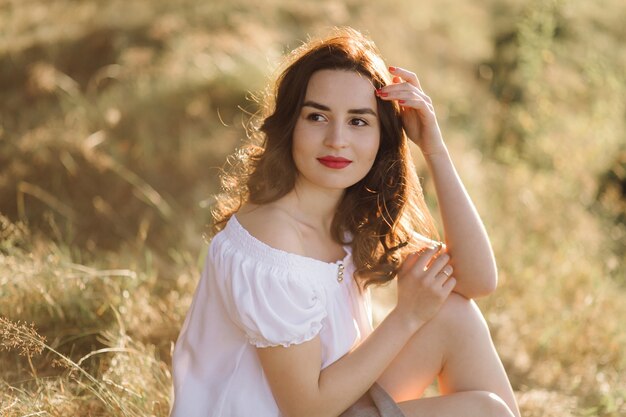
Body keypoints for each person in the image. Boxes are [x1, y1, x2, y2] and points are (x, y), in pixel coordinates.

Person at [170, 27, 521, 417]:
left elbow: (476, 281)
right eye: (317, 116)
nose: (337, 139)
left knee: (456, 316)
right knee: (486, 412)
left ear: (382, 136)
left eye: (358, 121)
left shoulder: (346, 212)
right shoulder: (274, 238)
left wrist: (434, 149)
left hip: (336, 400)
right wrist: (406, 317)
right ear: (290, 125)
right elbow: (306, 409)